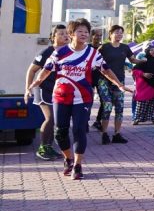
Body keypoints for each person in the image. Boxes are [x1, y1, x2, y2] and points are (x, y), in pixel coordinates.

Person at [25, 18, 130, 180]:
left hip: (83, 97)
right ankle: (68, 159)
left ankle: (78, 165)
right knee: (60, 132)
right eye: (80, 31)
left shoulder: (92, 53)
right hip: (60, 96)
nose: (84, 34)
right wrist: (35, 83)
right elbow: (45, 70)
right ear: (71, 34)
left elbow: (106, 70)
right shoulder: (59, 52)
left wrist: (119, 84)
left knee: (79, 130)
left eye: (86, 32)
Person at [24, 24, 68, 160]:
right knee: (50, 118)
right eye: (61, 33)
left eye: (66, 33)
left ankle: (48, 147)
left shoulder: (69, 52)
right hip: (43, 89)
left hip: (58, 91)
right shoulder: (46, 52)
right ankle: (42, 148)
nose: (65, 36)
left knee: (56, 120)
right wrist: (27, 88)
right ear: (53, 37)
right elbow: (31, 70)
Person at [95, 25, 135, 145]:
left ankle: (117, 134)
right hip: (104, 80)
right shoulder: (104, 47)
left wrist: (145, 61)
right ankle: (104, 133)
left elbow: (133, 60)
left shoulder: (125, 47)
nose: (119, 35)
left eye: (121, 33)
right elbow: (94, 60)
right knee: (107, 106)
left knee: (119, 108)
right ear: (110, 34)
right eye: (116, 32)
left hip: (120, 81)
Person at [132, 45, 154, 124]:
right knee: (142, 103)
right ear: (147, 51)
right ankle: (137, 119)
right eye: (151, 50)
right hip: (145, 85)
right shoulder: (143, 61)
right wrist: (143, 74)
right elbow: (134, 71)